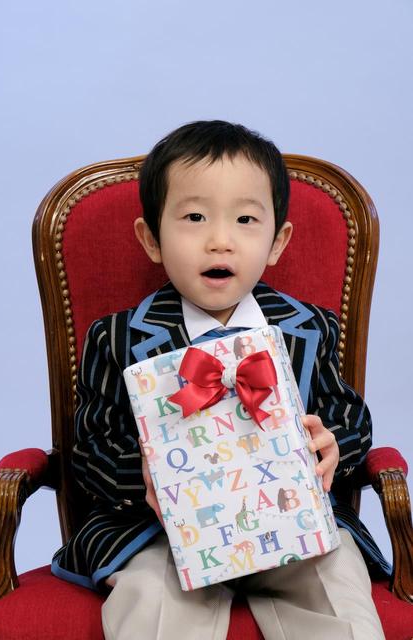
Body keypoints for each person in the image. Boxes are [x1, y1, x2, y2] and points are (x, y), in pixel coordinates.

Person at [52, 120, 388, 639]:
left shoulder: (310, 328)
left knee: (336, 581)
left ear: (277, 242)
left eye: (246, 219)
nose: (219, 241)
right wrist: (146, 473)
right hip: (161, 531)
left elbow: (349, 417)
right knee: (151, 597)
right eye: (194, 217)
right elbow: (90, 448)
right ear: (152, 239)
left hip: (292, 522)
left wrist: (330, 444)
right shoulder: (116, 337)